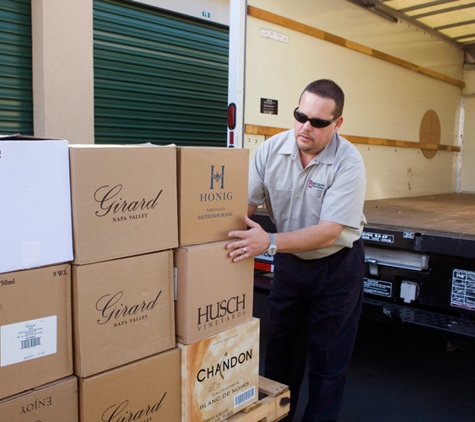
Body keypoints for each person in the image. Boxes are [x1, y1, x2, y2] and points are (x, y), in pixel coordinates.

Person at [226, 79, 367, 422]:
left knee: (327, 366)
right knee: (279, 360)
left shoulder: (349, 163)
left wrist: (270, 243)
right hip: (291, 268)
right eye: (300, 116)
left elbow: (328, 232)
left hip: (336, 268)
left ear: (337, 123)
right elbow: (242, 208)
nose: (306, 127)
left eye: (318, 122)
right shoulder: (271, 151)